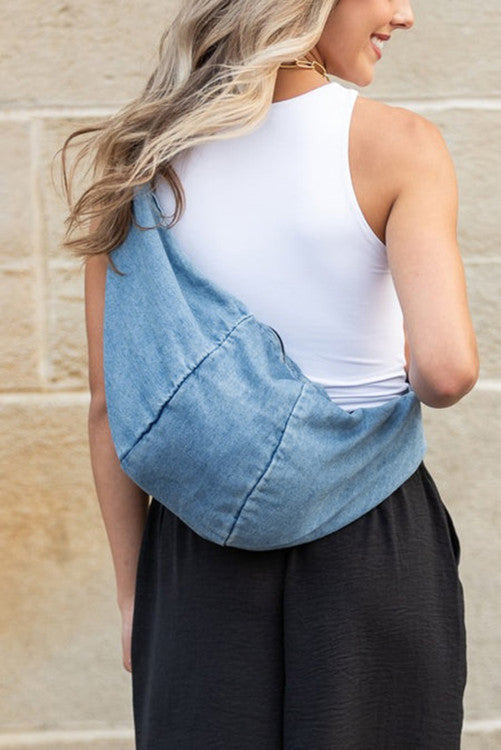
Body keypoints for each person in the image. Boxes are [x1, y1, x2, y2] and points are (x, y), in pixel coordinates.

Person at [59, 0, 479, 747]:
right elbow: (445, 372)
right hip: (372, 534)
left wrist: (132, 598)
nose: (404, 14)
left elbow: (109, 407)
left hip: (197, 549)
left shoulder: (139, 166)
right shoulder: (400, 145)